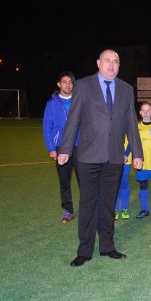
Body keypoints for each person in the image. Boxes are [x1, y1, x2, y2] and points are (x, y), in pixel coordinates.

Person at [57, 49, 143, 267]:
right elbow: (73, 119)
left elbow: (131, 123)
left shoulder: (126, 89)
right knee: (87, 203)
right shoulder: (84, 86)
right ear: (98, 63)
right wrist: (65, 149)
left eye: (116, 61)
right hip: (88, 156)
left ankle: (107, 246)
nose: (112, 65)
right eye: (108, 61)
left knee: (107, 205)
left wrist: (138, 153)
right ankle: (84, 250)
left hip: (114, 157)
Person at [42, 71, 80, 224]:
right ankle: (68, 210)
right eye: (64, 82)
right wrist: (51, 148)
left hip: (80, 146)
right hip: (61, 147)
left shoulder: (79, 101)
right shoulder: (52, 104)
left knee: (84, 180)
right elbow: (47, 127)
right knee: (64, 181)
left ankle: (87, 209)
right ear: (59, 84)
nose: (68, 85)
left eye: (70, 82)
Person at [114, 139, 132, 220]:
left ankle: (125, 209)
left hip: (126, 160)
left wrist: (126, 154)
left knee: (124, 184)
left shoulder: (128, 126)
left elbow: (132, 140)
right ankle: (115, 209)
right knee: (115, 185)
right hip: (114, 159)